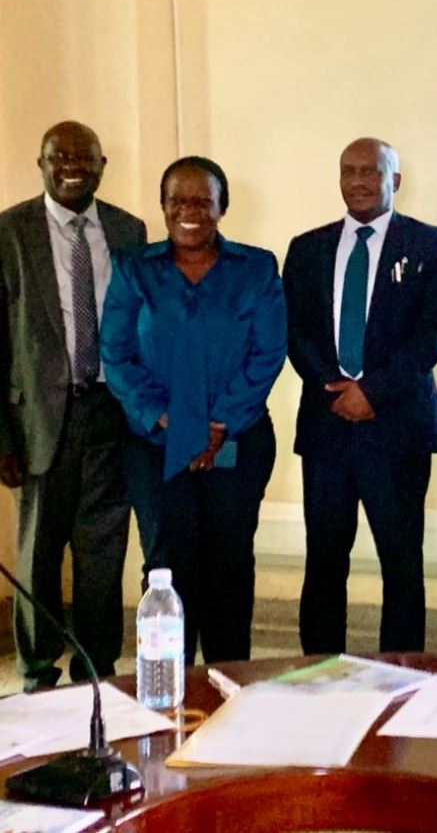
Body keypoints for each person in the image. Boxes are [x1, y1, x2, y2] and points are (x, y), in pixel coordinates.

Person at [0, 120, 146, 691]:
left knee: (102, 554)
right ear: (40, 164)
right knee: (38, 555)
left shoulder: (127, 230)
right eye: (58, 156)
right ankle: (37, 671)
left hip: (109, 415)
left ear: (101, 165)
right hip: (37, 424)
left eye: (84, 157)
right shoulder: (2, 235)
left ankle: (97, 667)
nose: (72, 165)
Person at [101, 155, 286, 664]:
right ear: (162, 207)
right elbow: (116, 354)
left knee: (228, 564)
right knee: (166, 565)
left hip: (237, 440)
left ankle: (230, 684)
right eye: (177, 200)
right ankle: (167, 688)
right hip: (153, 444)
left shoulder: (257, 268)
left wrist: (218, 424)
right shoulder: (134, 269)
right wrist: (174, 423)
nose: (189, 211)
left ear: (222, 207)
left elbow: (267, 353)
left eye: (202, 200)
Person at [283, 137, 437, 654]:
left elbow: (432, 334)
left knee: (401, 564)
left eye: (371, 171)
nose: (358, 181)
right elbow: (295, 332)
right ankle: (320, 670)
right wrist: (333, 388)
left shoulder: (428, 244)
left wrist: (372, 392)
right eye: (348, 170)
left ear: (394, 181)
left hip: (397, 429)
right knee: (324, 563)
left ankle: (399, 675)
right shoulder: (307, 247)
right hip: (327, 426)